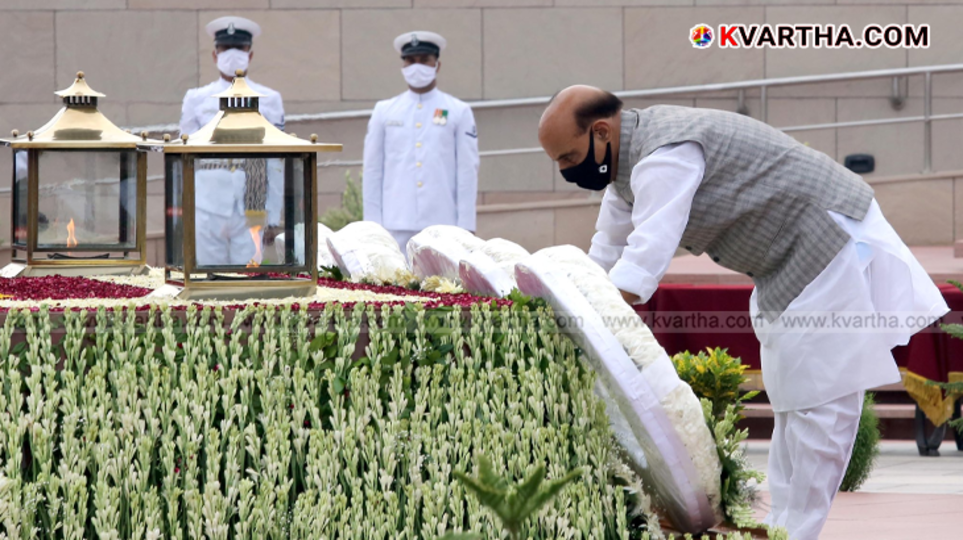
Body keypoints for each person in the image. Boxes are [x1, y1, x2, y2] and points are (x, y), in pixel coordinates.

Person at [538, 85, 949, 540]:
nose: (565, 170)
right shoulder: (625, 171)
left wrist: (583, 320)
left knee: (824, 401)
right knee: (794, 402)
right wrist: (559, 303)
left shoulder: (664, 154)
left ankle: (795, 533)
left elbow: (640, 264)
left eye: (568, 157)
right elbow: (603, 256)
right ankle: (781, 528)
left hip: (825, 239)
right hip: (784, 263)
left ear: (600, 131)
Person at [179, 16, 284, 267]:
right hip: (207, 201)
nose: (233, 54)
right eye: (226, 49)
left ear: (251, 54)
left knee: (247, 277)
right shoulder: (196, 99)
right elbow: (185, 155)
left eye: (240, 48)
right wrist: (184, 205)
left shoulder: (269, 99)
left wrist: (274, 212)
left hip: (253, 201)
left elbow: (277, 158)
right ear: (215, 55)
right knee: (207, 275)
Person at [363, 30, 479, 251]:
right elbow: (372, 171)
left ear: (437, 65)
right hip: (394, 223)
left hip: (443, 224)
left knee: (442, 285)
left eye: (424, 60)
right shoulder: (385, 111)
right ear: (403, 66)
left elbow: (467, 171)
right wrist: (372, 226)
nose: (418, 66)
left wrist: (466, 225)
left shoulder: (458, 111)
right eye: (411, 60)